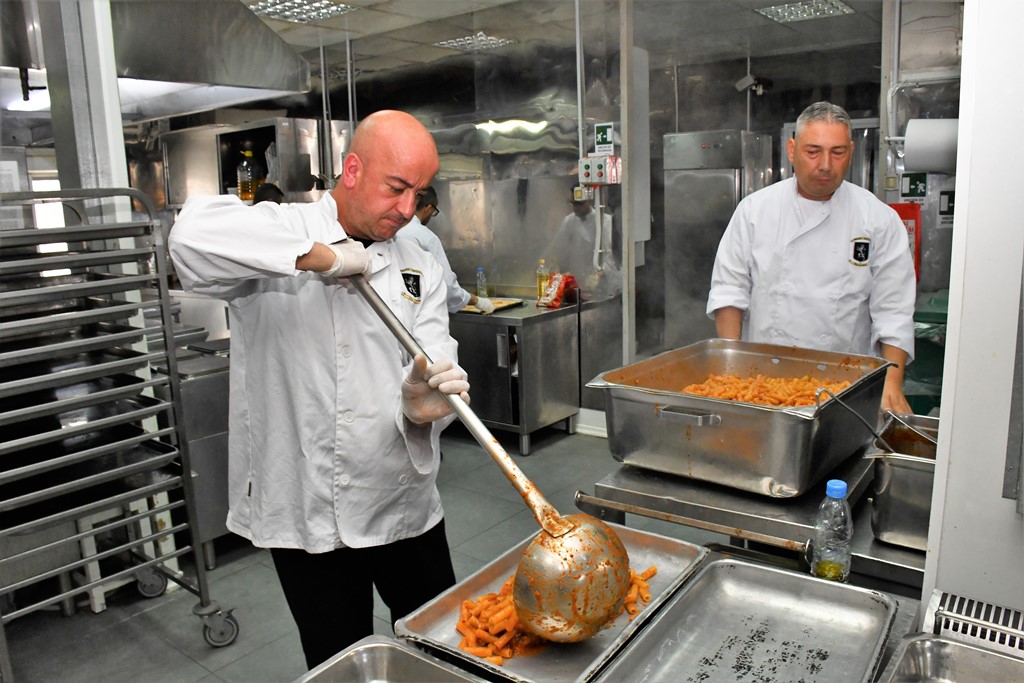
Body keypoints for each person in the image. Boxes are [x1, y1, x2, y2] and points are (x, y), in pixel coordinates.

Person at [168, 110, 469, 670]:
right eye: (396, 188)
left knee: (445, 650)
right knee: (338, 660)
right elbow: (188, 237)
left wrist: (425, 404)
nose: (407, 210)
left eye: (419, 193)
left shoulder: (419, 256)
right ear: (352, 169)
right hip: (305, 507)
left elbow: (434, 350)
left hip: (399, 496)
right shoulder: (283, 227)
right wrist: (322, 258)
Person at [706, 101, 915, 414]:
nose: (826, 165)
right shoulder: (755, 211)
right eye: (813, 151)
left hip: (844, 386)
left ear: (852, 151)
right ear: (792, 150)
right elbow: (729, 291)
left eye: (838, 152)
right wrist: (732, 363)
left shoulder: (877, 219)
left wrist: (892, 382)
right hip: (761, 380)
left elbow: (894, 309)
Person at [396, 186, 495, 314]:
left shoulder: (390, 231)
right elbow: (447, 287)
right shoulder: (426, 238)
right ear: (428, 208)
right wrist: (477, 301)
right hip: (420, 314)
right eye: (433, 213)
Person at [544, 187, 620, 295]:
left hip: (605, 285)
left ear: (590, 200)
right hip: (579, 286)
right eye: (573, 204)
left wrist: (598, 275)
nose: (575, 208)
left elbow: (611, 256)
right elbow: (556, 247)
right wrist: (551, 266)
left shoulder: (605, 222)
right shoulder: (569, 221)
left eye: (579, 204)